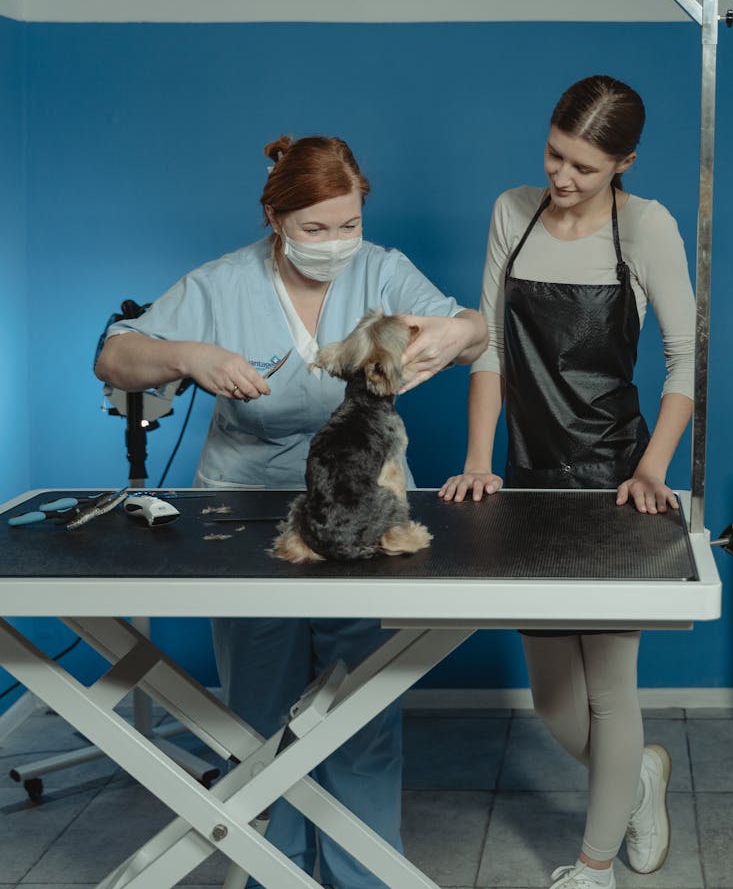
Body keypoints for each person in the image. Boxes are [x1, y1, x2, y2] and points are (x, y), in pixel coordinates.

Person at [95, 133, 487, 889]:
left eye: (348, 224)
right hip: (251, 519)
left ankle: (361, 879)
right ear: (274, 218)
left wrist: (458, 331)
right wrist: (187, 356)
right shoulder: (221, 284)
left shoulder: (384, 271)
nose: (336, 243)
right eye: (316, 228)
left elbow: (473, 330)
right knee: (258, 725)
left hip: (366, 518)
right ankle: (270, 873)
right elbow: (115, 357)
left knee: (361, 721)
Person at [439, 75, 695, 889]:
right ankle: (640, 777)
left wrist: (652, 468)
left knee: (611, 691)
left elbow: (685, 362)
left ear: (624, 163)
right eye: (555, 153)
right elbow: (488, 349)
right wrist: (481, 461)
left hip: (618, 480)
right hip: (528, 480)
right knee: (555, 705)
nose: (562, 177)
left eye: (584, 166)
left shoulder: (648, 226)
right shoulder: (511, 212)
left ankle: (593, 866)